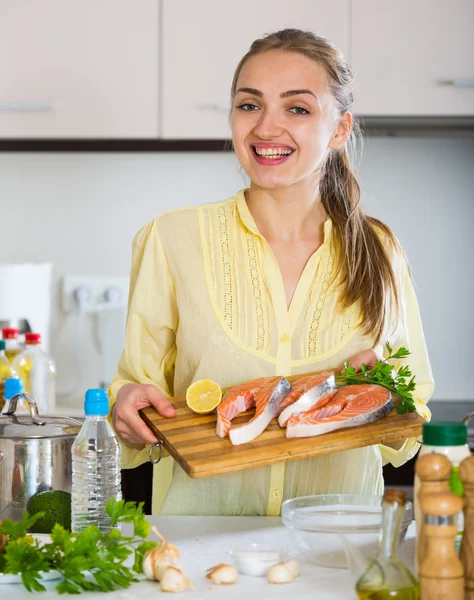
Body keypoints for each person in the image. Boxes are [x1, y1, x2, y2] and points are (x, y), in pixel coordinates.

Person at [110, 28, 434, 516]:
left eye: (297, 109)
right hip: (201, 552)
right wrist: (126, 406)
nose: (266, 127)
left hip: (337, 547)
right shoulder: (171, 239)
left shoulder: (380, 250)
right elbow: (135, 399)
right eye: (249, 105)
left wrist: (383, 399)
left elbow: (409, 427)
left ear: (340, 129)